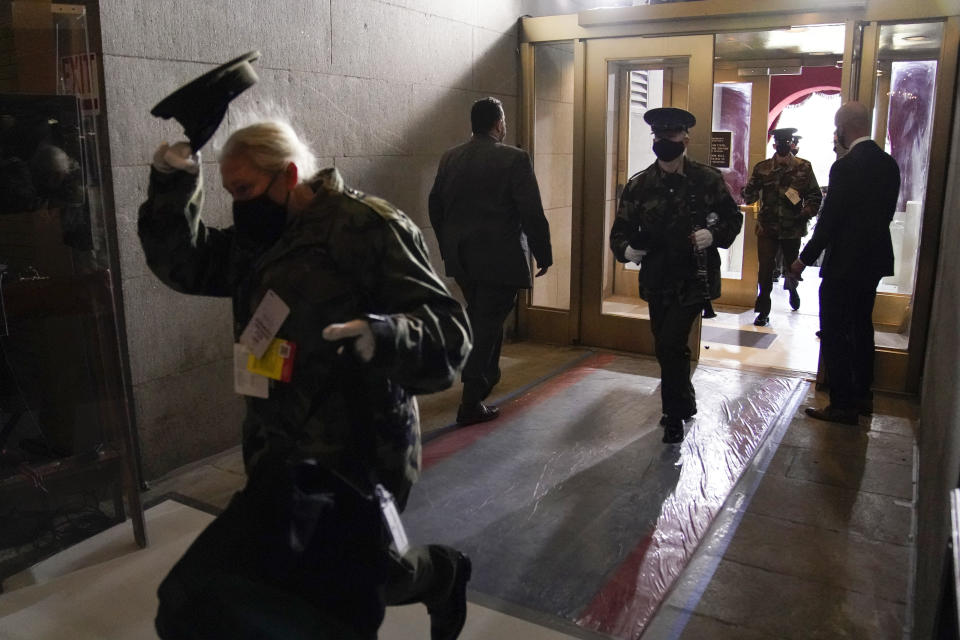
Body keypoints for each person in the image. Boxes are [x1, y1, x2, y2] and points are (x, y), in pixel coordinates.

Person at [140, 120, 474, 640]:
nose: (238, 205)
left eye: (245, 190)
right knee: (308, 574)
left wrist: (384, 336)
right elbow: (185, 263)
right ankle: (428, 574)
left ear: (290, 175)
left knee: (352, 581)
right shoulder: (260, 239)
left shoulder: (366, 226)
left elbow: (450, 333)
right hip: (276, 444)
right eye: (229, 192)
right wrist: (173, 182)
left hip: (360, 448)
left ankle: (441, 573)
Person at [609, 107, 742, 443]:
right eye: (659, 135)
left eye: (670, 135)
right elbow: (620, 232)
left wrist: (714, 236)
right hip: (657, 279)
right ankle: (685, 400)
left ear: (685, 137)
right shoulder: (640, 185)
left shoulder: (707, 179)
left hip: (693, 279)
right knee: (668, 345)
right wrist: (627, 250)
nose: (664, 141)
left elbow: (732, 219)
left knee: (670, 342)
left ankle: (672, 416)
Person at [429, 97, 552, 426]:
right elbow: (531, 211)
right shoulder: (514, 159)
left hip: (463, 260)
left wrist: (448, 246)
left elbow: (435, 206)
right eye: (504, 121)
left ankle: (486, 379)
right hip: (500, 259)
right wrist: (544, 251)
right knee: (485, 325)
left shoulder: (450, 158)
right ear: (498, 124)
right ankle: (471, 400)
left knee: (485, 319)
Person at [789, 102, 901, 425]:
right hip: (874, 260)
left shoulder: (845, 167)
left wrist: (802, 260)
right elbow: (885, 215)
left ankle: (841, 404)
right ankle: (864, 395)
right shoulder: (889, 165)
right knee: (863, 327)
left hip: (844, 264)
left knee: (836, 332)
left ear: (844, 128)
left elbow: (830, 222)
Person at [741, 127, 822, 326]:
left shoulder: (804, 167)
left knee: (791, 266)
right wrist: (746, 191)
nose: (784, 145)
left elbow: (815, 195)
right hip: (767, 227)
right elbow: (750, 195)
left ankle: (793, 289)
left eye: (788, 142)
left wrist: (806, 212)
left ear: (792, 143)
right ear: (775, 144)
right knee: (766, 269)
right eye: (781, 142)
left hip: (792, 227)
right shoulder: (763, 168)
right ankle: (763, 308)